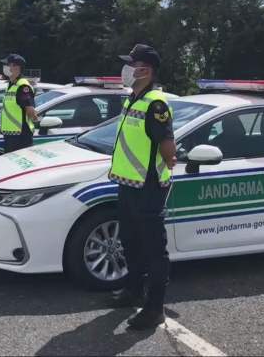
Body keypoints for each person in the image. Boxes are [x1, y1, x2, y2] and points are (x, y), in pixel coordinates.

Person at [107, 44, 176, 330]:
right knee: (130, 242)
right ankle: (133, 289)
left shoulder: (155, 104)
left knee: (153, 249)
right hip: (127, 184)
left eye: (131, 64)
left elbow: (167, 145)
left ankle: (154, 308)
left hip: (148, 187)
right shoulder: (133, 99)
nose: (126, 69)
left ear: (145, 70)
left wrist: (169, 161)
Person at [0, 53, 37, 154]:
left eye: (7, 65)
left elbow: (30, 111)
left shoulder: (23, 87)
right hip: (10, 135)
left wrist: (33, 115)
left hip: (20, 135)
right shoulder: (11, 85)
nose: (4, 67)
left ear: (16, 68)